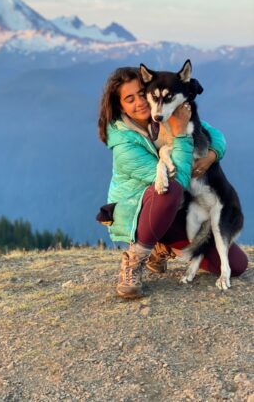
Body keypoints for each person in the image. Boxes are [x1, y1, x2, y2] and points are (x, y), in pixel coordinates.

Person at [98, 67, 248, 299]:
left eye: (141, 93)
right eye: (130, 99)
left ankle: (162, 245)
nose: (140, 102)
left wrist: (211, 156)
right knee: (167, 188)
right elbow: (177, 178)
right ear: (120, 107)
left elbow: (214, 134)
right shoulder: (123, 142)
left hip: (175, 212)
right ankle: (134, 261)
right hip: (140, 213)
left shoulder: (165, 114)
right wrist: (179, 135)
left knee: (237, 265)